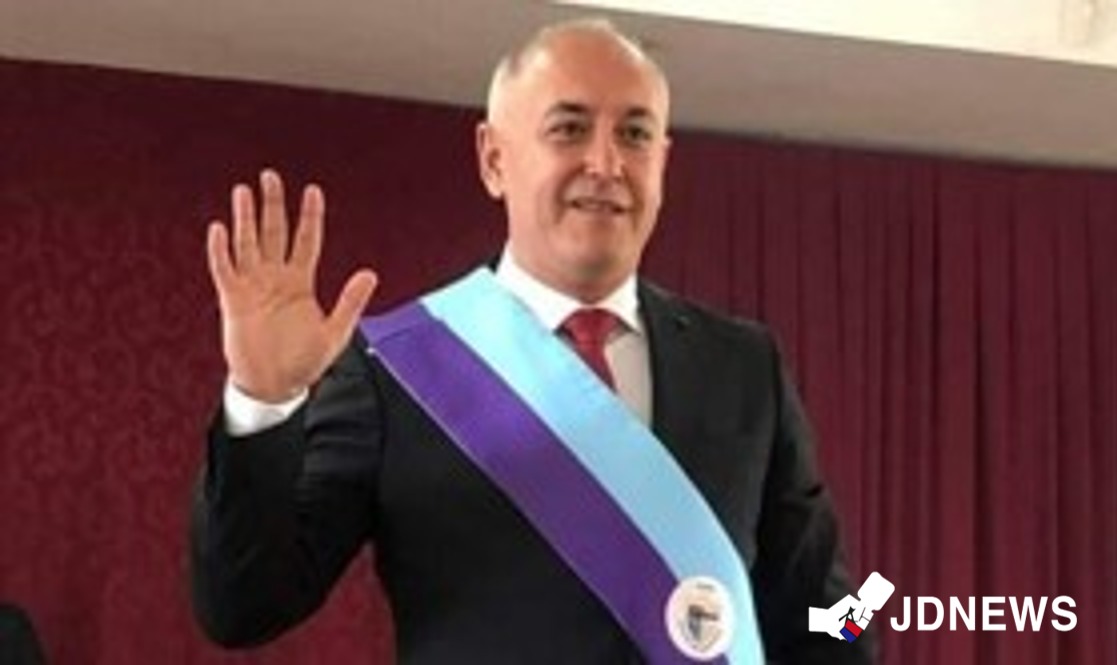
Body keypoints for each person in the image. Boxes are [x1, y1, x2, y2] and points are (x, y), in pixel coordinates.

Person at [190, 18, 872, 664]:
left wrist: (876, 609)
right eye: (569, 128)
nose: (605, 162)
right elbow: (242, 607)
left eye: (634, 134)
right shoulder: (394, 369)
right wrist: (263, 400)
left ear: (661, 163)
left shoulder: (744, 365)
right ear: (494, 159)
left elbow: (829, 610)